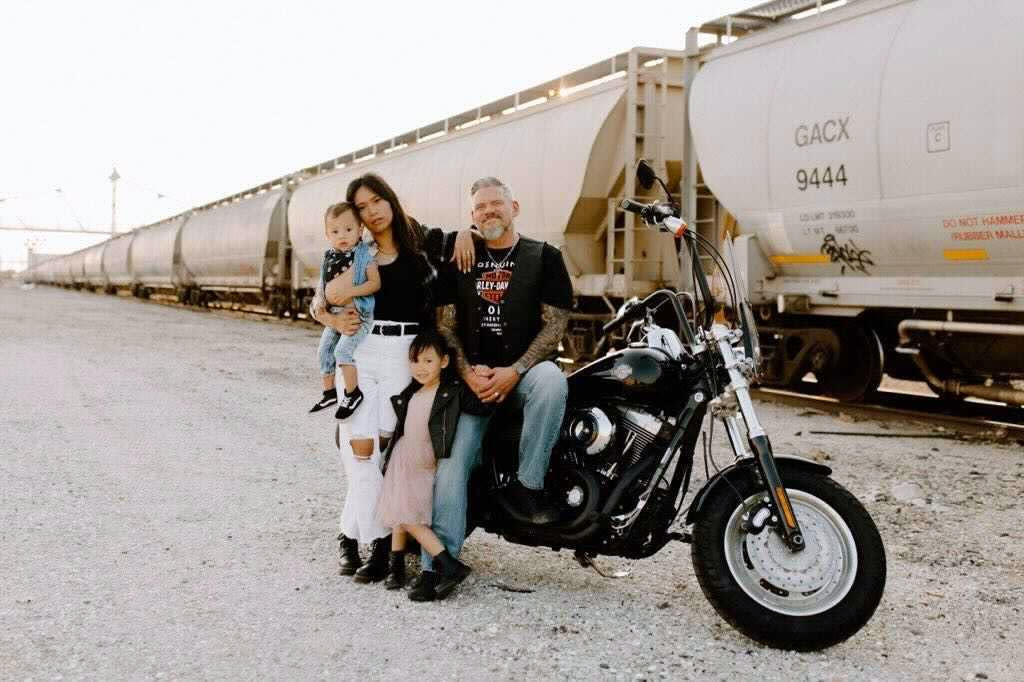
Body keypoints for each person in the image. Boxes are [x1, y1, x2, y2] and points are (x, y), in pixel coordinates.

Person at [416, 176, 573, 601]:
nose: (489, 212)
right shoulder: (461, 257)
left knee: (552, 380)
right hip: (471, 382)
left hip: (521, 377)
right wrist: (466, 372)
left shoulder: (544, 257)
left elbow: (555, 325)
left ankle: (528, 485)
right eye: (480, 208)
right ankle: (439, 563)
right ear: (471, 217)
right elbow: (445, 324)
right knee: (453, 465)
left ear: (515, 207)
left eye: (496, 205)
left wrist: (516, 370)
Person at [313, 173, 476, 581]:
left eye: (376, 202)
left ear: (390, 199)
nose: (371, 212)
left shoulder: (424, 243)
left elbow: (465, 239)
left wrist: (470, 231)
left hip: (407, 357)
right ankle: (379, 546)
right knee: (360, 451)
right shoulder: (356, 252)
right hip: (364, 352)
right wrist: (329, 313)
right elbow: (322, 297)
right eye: (361, 207)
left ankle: (350, 534)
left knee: (388, 451)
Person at [375, 330, 484, 597]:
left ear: (444, 362)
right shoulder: (411, 392)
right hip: (403, 458)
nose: (420, 368)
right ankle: (396, 565)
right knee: (400, 512)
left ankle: (447, 563)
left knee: (409, 517)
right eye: (415, 361)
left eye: (428, 361)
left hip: (422, 462)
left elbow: (482, 407)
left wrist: (480, 376)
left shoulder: (451, 392)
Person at [309, 202, 379, 418]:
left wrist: (352, 290)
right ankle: (329, 392)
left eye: (348, 230)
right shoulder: (328, 257)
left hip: (358, 316)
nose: (342, 236)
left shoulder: (363, 254)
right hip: (335, 315)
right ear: (327, 234)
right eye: (335, 231)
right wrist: (323, 306)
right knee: (323, 351)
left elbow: (375, 283)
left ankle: (353, 393)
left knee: (342, 351)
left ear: (360, 231)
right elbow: (321, 288)